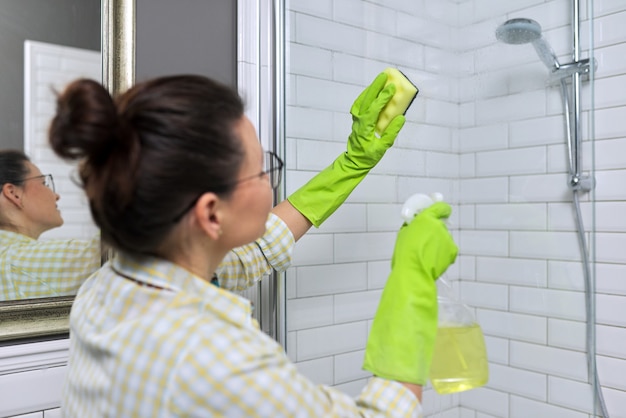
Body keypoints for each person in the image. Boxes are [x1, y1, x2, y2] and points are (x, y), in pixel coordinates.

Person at [53, 73, 457, 416]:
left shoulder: (107, 288)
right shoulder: (215, 358)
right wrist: (413, 280)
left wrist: (352, 162)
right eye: (262, 171)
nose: (271, 181)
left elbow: (261, 248)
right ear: (211, 214)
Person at [0, 150, 101, 300]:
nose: (56, 196)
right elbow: (110, 252)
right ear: (14, 193)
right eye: (44, 183)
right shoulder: (17, 261)